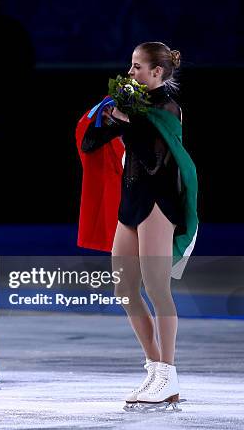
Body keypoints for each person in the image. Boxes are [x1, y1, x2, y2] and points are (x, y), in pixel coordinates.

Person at [80, 42, 195, 409]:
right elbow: (91, 141)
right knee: (124, 288)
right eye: (130, 67)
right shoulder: (135, 107)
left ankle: (168, 371)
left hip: (160, 202)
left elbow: (154, 156)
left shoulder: (167, 108)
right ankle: (156, 368)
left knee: (157, 288)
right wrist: (109, 117)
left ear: (157, 73)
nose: (130, 73)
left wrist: (129, 119)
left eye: (136, 67)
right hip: (130, 202)